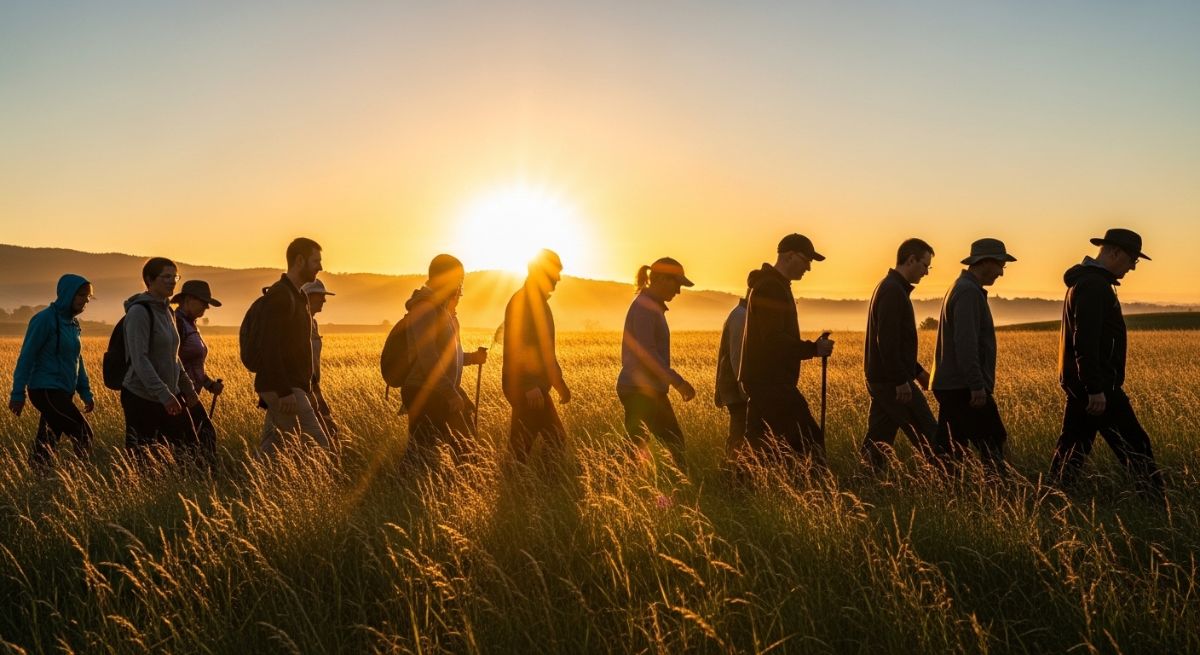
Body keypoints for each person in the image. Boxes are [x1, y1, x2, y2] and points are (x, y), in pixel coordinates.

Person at [1049, 229, 1164, 498]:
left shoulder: (1090, 282)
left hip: (1088, 385)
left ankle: (1054, 500)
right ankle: (1157, 504)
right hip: (1099, 388)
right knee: (1136, 446)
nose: (1133, 267)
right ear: (1115, 253)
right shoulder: (1093, 285)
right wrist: (1095, 387)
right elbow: (1085, 339)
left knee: (1073, 449)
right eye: (1132, 260)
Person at [737, 233, 835, 468]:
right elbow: (773, 339)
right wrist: (814, 348)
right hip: (771, 382)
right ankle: (817, 491)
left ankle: (737, 489)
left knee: (758, 446)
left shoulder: (773, 285)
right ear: (790, 256)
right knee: (809, 440)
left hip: (763, 380)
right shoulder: (771, 287)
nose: (809, 267)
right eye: (806, 260)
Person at [930, 238, 1015, 477]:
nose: (1001, 272)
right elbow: (966, 343)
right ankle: (999, 492)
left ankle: (944, 492)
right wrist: (977, 385)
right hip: (963, 386)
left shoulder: (962, 287)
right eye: (1000, 265)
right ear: (984, 262)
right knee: (993, 439)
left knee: (950, 446)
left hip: (953, 384)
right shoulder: (968, 292)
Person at [860, 238, 942, 471]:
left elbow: (895, 343)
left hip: (884, 379)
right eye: (925, 265)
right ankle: (952, 481)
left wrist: (917, 372)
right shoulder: (892, 291)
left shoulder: (890, 287)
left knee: (879, 438)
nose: (926, 272)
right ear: (911, 260)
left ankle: (866, 482)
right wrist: (900, 380)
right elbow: (886, 341)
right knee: (928, 432)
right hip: (891, 381)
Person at [400, 255, 487, 463]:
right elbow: (428, 358)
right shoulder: (425, 308)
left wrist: (473, 358)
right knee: (428, 453)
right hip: (425, 391)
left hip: (436, 390)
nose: (460, 285)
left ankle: (404, 487)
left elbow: (446, 357)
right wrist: (450, 393)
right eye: (459, 279)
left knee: (424, 453)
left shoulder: (441, 309)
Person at [616, 258, 697, 470]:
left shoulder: (650, 306)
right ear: (660, 279)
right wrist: (677, 382)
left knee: (643, 442)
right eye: (676, 284)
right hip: (640, 388)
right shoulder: (645, 308)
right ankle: (610, 483)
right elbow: (647, 353)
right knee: (662, 442)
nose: (679, 291)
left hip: (645, 388)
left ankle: (610, 482)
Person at [8, 274, 96, 466]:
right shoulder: (43, 320)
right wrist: (17, 393)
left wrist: (85, 392)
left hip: (63, 391)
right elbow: (27, 357)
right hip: (45, 390)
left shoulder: (73, 324)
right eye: (81, 295)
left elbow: (77, 360)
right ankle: (79, 478)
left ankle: (37, 481)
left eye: (88, 297)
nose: (85, 301)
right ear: (67, 294)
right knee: (83, 434)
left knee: (47, 442)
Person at [120, 257, 200, 460]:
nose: (172, 281)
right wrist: (164, 395)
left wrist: (188, 389)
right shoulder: (139, 312)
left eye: (175, 276)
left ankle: (188, 489)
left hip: (169, 395)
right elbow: (140, 360)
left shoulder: (168, 312)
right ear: (149, 279)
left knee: (191, 451)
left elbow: (173, 357)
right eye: (166, 277)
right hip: (141, 397)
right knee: (144, 460)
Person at [257, 238, 330, 456]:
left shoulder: (297, 296)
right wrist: (284, 391)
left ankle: (249, 486)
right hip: (285, 387)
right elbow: (270, 346)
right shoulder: (281, 296)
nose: (320, 267)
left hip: (289, 386)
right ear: (300, 261)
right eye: (316, 261)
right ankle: (315, 488)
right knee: (318, 446)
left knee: (273, 446)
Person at [503, 249, 571, 463]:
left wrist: (557, 382)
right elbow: (518, 346)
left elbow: (545, 350)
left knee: (523, 446)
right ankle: (539, 489)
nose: (558, 278)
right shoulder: (524, 301)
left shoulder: (537, 302)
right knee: (554, 439)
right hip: (528, 388)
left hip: (533, 387)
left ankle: (522, 489)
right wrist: (529, 384)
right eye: (555, 273)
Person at [172, 280, 224, 465]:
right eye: (203, 302)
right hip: (179, 395)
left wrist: (209, 384)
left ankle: (197, 474)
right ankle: (203, 475)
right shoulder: (176, 324)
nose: (206, 308)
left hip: (191, 394)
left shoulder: (190, 324)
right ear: (188, 299)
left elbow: (194, 366)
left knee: (194, 438)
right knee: (203, 435)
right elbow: (172, 362)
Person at [302, 278, 338, 441]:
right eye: (320, 296)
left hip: (309, 388)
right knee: (325, 436)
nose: (324, 300)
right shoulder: (299, 322)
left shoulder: (313, 323)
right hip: (304, 390)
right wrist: (317, 397)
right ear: (308, 297)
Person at [715, 292, 748, 456]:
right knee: (739, 434)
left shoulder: (740, 313)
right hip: (737, 389)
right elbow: (737, 357)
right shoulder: (741, 316)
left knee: (740, 434)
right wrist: (744, 390)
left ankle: (733, 473)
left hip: (735, 387)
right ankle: (731, 474)